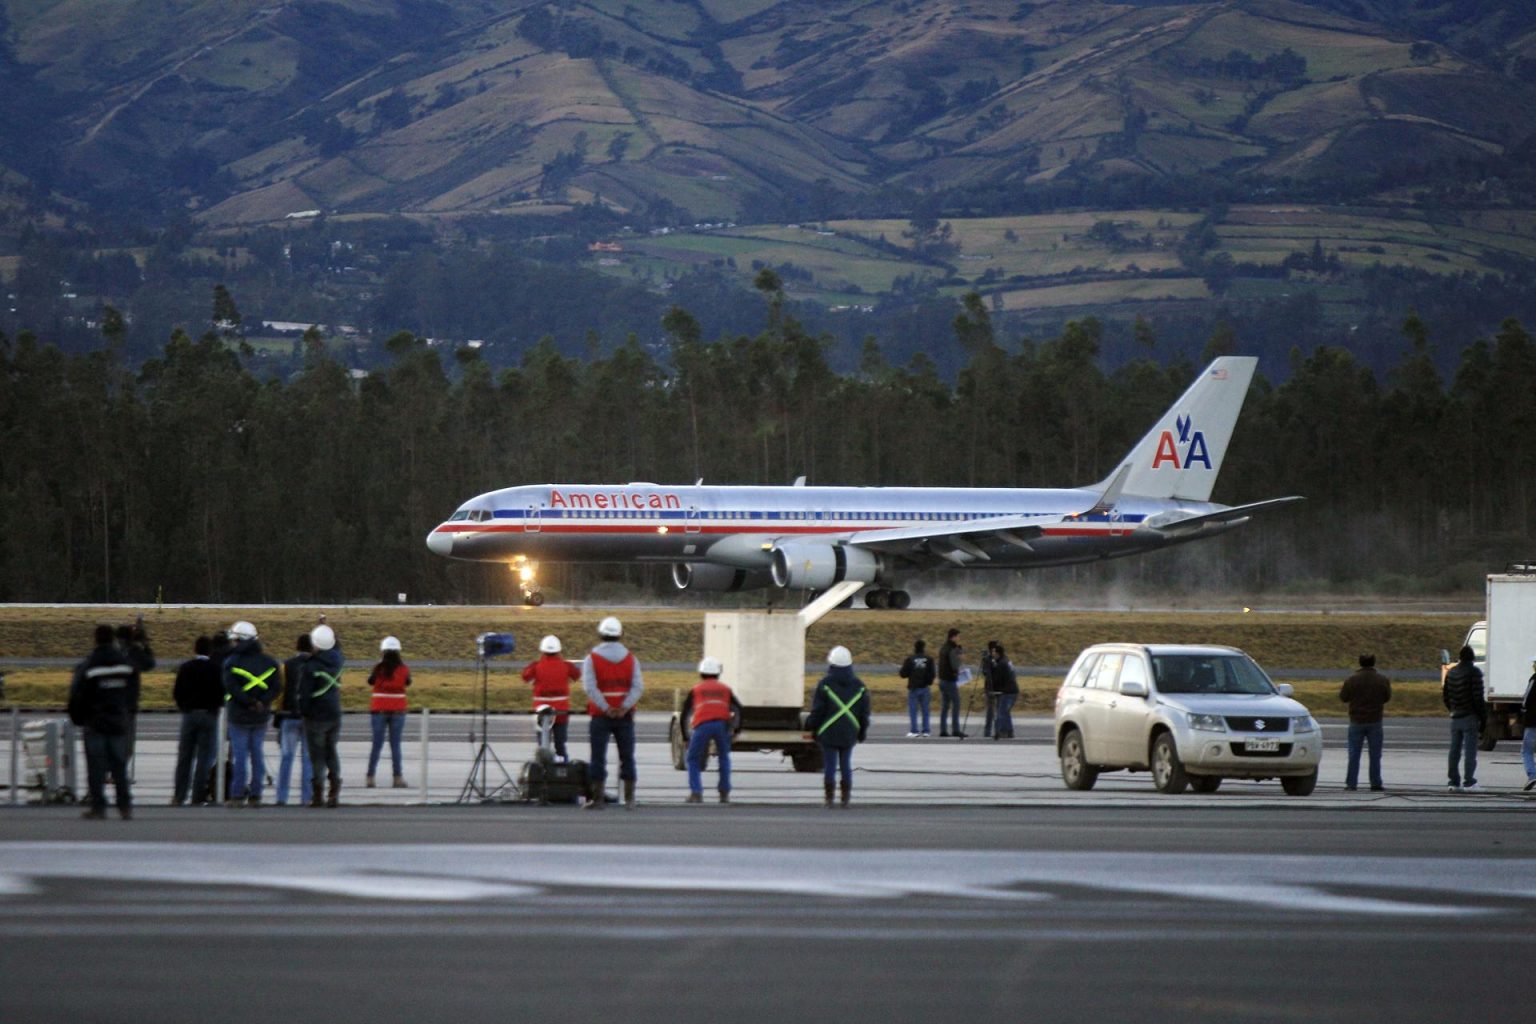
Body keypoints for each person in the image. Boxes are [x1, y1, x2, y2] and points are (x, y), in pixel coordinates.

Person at [68, 624, 142, 820]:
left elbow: (77, 694)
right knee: (119, 766)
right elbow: (134, 689)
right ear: (112, 639)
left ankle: (98, 806)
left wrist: (79, 718)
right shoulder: (125, 664)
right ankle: (124, 806)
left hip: (95, 720)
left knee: (96, 766)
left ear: (96, 639)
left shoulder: (90, 665)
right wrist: (128, 710)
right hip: (118, 718)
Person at [580, 616, 644, 810]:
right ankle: (630, 799)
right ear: (620, 635)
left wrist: (606, 707)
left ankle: (598, 799)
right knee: (627, 756)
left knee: (598, 757)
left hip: (600, 716)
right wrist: (624, 707)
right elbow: (638, 687)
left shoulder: (592, 658)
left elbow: (590, 688)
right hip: (625, 716)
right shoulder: (631, 659)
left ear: (601, 634)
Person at [221, 620, 281, 807]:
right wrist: (262, 702)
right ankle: (256, 794)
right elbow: (277, 687)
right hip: (261, 716)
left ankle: (237, 795)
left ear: (240, 640)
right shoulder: (270, 662)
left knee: (240, 757)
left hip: (239, 715)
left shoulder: (231, 662)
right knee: (257, 754)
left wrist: (248, 702)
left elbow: (231, 687)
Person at [805, 646, 869, 808]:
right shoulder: (859, 686)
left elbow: (818, 710)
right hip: (849, 732)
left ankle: (829, 798)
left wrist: (811, 727)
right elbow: (864, 713)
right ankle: (845, 797)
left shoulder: (825, 684)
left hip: (829, 732)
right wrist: (862, 732)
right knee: (846, 763)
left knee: (830, 765)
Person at [171, 635, 222, 806]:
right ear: (210, 651)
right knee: (204, 758)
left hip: (189, 715)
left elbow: (177, 692)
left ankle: (179, 795)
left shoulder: (186, 668)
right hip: (208, 715)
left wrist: (184, 707)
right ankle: (198, 795)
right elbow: (221, 694)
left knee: (184, 757)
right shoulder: (216, 669)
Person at [298, 623, 345, 808]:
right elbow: (337, 647)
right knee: (331, 752)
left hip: (316, 716)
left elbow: (305, 694)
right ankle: (334, 791)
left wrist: (304, 711)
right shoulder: (338, 661)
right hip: (335, 713)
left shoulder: (311, 666)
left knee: (317, 756)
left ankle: (318, 794)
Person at [684, 656, 735, 804]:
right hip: (721, 725)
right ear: (718, 674)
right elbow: (737, 708)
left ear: (701, 673)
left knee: (692, 758)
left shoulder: (696, 689)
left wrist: (686, 737)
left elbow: (685, 713)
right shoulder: (726, 689)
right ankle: (724, 793)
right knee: (724, 757)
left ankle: (696, 793)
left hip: (702, 725)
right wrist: (734, 728)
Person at [273, 633, 314, 806]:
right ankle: (307, 797)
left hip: (289, 715)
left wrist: (278, 716)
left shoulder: (286, 665)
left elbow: (280, 692)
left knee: (286, 757)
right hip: (309, 717)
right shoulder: (315, 665)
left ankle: (281, 797)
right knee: (307, 759)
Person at [1340, 653, 1391, 791]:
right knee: (1375, 755)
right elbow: (1387, 697)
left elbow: (1343, 697)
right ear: (1373, 663)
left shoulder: (1352, 679)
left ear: (1360, 662)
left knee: (1354, 754)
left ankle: (1351, 783)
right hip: (1375, 720)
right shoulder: (1382, 679)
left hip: (1356, 720)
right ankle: (1375, 783)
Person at [522, 635, 579, 759]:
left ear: (542, 650)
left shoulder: (535, 666)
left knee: (543, 746)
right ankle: (562, 771)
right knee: (561, 746)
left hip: (541, 713)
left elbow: (525, 676)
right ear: (558, 651)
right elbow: (576, 674)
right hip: (561, 712)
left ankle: (543, 773)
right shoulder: (566, 666)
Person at [366, 635, 411, 788]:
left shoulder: (378, 668)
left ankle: (370, 776)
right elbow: (408, 682)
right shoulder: (403, 669)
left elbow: (370, 681)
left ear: (383, 651)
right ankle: (397, 777)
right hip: (398, 709)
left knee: (376, 744)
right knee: (395, 745)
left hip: (379, 709)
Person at [1443, 644, 1486, 793]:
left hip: (1455, 716)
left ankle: (1453, 782)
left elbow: (1446, 697)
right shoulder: (1475, 673)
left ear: (1460, 657)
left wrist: (1453, 709)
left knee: (1454, 751)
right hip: (1470, 716)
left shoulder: (1451, 672)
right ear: (1472, 658)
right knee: (1470, 751)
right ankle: (1469, 782)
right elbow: (1478, 698)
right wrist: (1483, 718)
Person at [898, 639, 934, 738]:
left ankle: (914, 730)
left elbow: (903, 674)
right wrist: (928, 682)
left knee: (913, 711)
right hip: (925, 687)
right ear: (923, 648)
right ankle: (926, 731)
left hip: (913, 688)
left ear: (915, 648)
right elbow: (932, 673)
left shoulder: (910, 659)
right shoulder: (929, 659)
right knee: (925, 710)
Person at [937, 627, 965, 738]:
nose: (959, 638)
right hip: (950, 680)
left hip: (942, 679)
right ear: (953, 636)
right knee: (956, 704)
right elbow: (955, 665)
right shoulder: (953, 649)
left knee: (945, 706)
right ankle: (955, 729)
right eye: (958, 636)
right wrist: (960, 658)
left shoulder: (943, 647)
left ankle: (943, 729)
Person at [991, 643, 1019, 740]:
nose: (992, 653)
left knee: (1001, 712)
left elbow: (997, 679)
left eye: (994, 652)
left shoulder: (1001, 664)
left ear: (998, 653)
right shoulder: (1006, 661)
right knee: (1005, 712)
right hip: (1013, 690)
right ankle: (1009, 731)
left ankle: (1002, 731)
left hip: (1008, 691)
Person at [980, 640, 1002, 738]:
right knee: (990, 711)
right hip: (990, 688)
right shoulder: (988, 660)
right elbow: (985, 673)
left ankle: (998, 730)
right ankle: (988, 731)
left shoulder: (1000, 659)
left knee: (998, 711)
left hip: (998, 687)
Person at [1521, 656, 1536, 792]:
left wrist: (1523, 709)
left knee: (1527, 750)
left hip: (1532, 721)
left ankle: (1532, 775)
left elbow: (1526, 700)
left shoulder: (1534, 679)